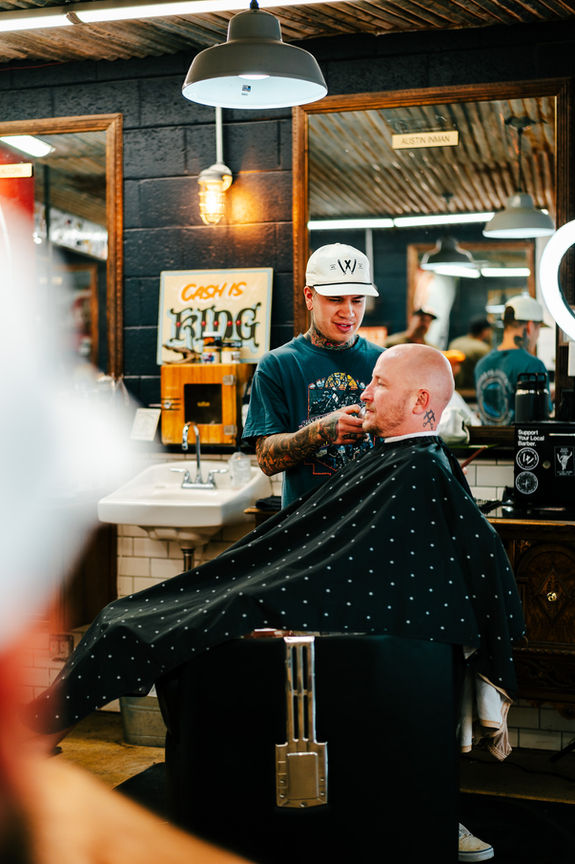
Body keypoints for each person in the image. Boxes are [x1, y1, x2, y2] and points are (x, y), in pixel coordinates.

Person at [29, 345, 524, 864]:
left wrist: (261, 587)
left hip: (314, 601)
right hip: (292, 582)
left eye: (378, 383)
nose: (364, 391)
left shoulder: (419, 468)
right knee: (124, 613)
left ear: (421, 399)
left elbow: (373, 571)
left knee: (131, 623)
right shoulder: (397, 454)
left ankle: (36, 732)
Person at [242, 242, 383, 508]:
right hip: (305, 524)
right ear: (309, 297)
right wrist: (321, 431)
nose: (349, 312)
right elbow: (266, 460)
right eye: (335, 299)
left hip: (371, 518)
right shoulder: (277, 365)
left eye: (357, 300)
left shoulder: (385, 361)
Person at [474, 295, 551, 425]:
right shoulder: (533, 365)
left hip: (487, 443)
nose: (537, 336)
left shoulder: (481, 364)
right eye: (538, 329)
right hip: (521, 444)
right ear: (530, 327)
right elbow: (542, 417)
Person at [448, 317, 493, 389]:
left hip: (453, 388)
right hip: (471, 391)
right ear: (485, 331)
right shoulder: (483, 348)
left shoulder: (455, 342)